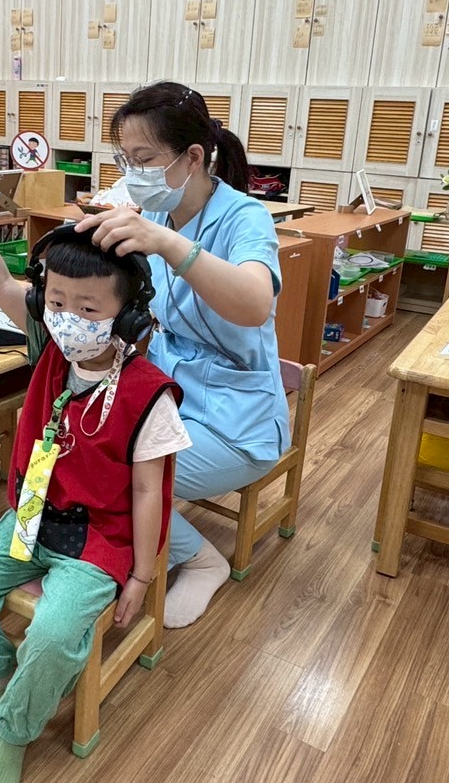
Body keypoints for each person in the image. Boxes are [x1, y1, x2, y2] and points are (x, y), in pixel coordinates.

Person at [0, 160, 190, 783]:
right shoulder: (49, 346)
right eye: (59, 303)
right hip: (29, 519)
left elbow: (149, 494)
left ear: (126, 317)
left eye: (89, 309)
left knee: (53, 633)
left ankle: (14, 733)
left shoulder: (148, 394)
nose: (69, 319)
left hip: (96, 543)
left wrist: (142, 575)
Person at [76, 81, 290, 628]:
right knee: (82, 450)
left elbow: (254, 304)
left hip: (236, 421)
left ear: (193, 157)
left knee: (115, 474)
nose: (133, 173)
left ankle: (199, 560)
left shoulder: (243, 217)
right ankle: (131, 549)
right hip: (168, 398)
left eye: (144, 159)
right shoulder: (155, 210)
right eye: (126, 160)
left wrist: (168, 244)